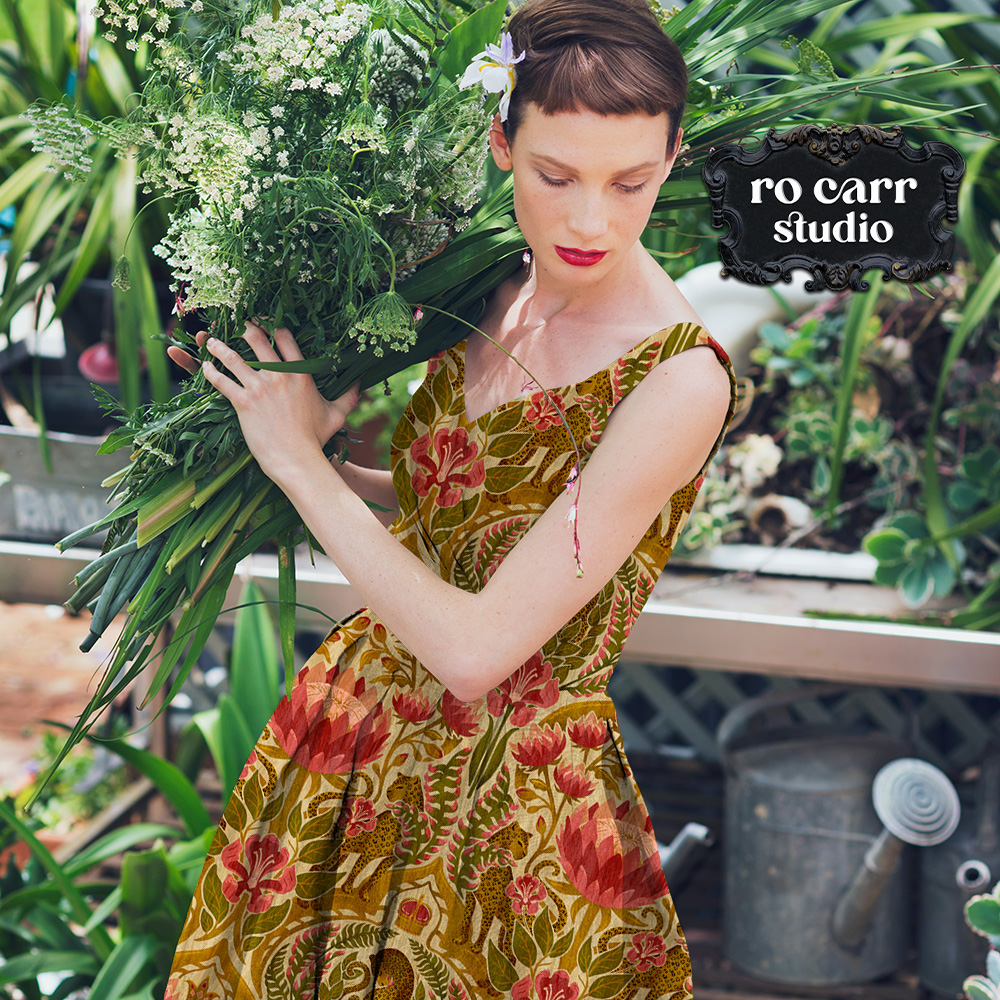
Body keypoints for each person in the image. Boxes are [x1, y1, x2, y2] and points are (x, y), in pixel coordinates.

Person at [164, 0, 737, 996]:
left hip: (496, 815)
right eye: (554, 176)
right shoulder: (496, 285)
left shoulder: (676, 379)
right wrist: (291, 433)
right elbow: (448, 525)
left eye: (630, 181)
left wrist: (300, 466)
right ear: (500, 141)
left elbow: (477, 651)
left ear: (674, 156)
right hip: (357, 741)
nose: (589, 220)